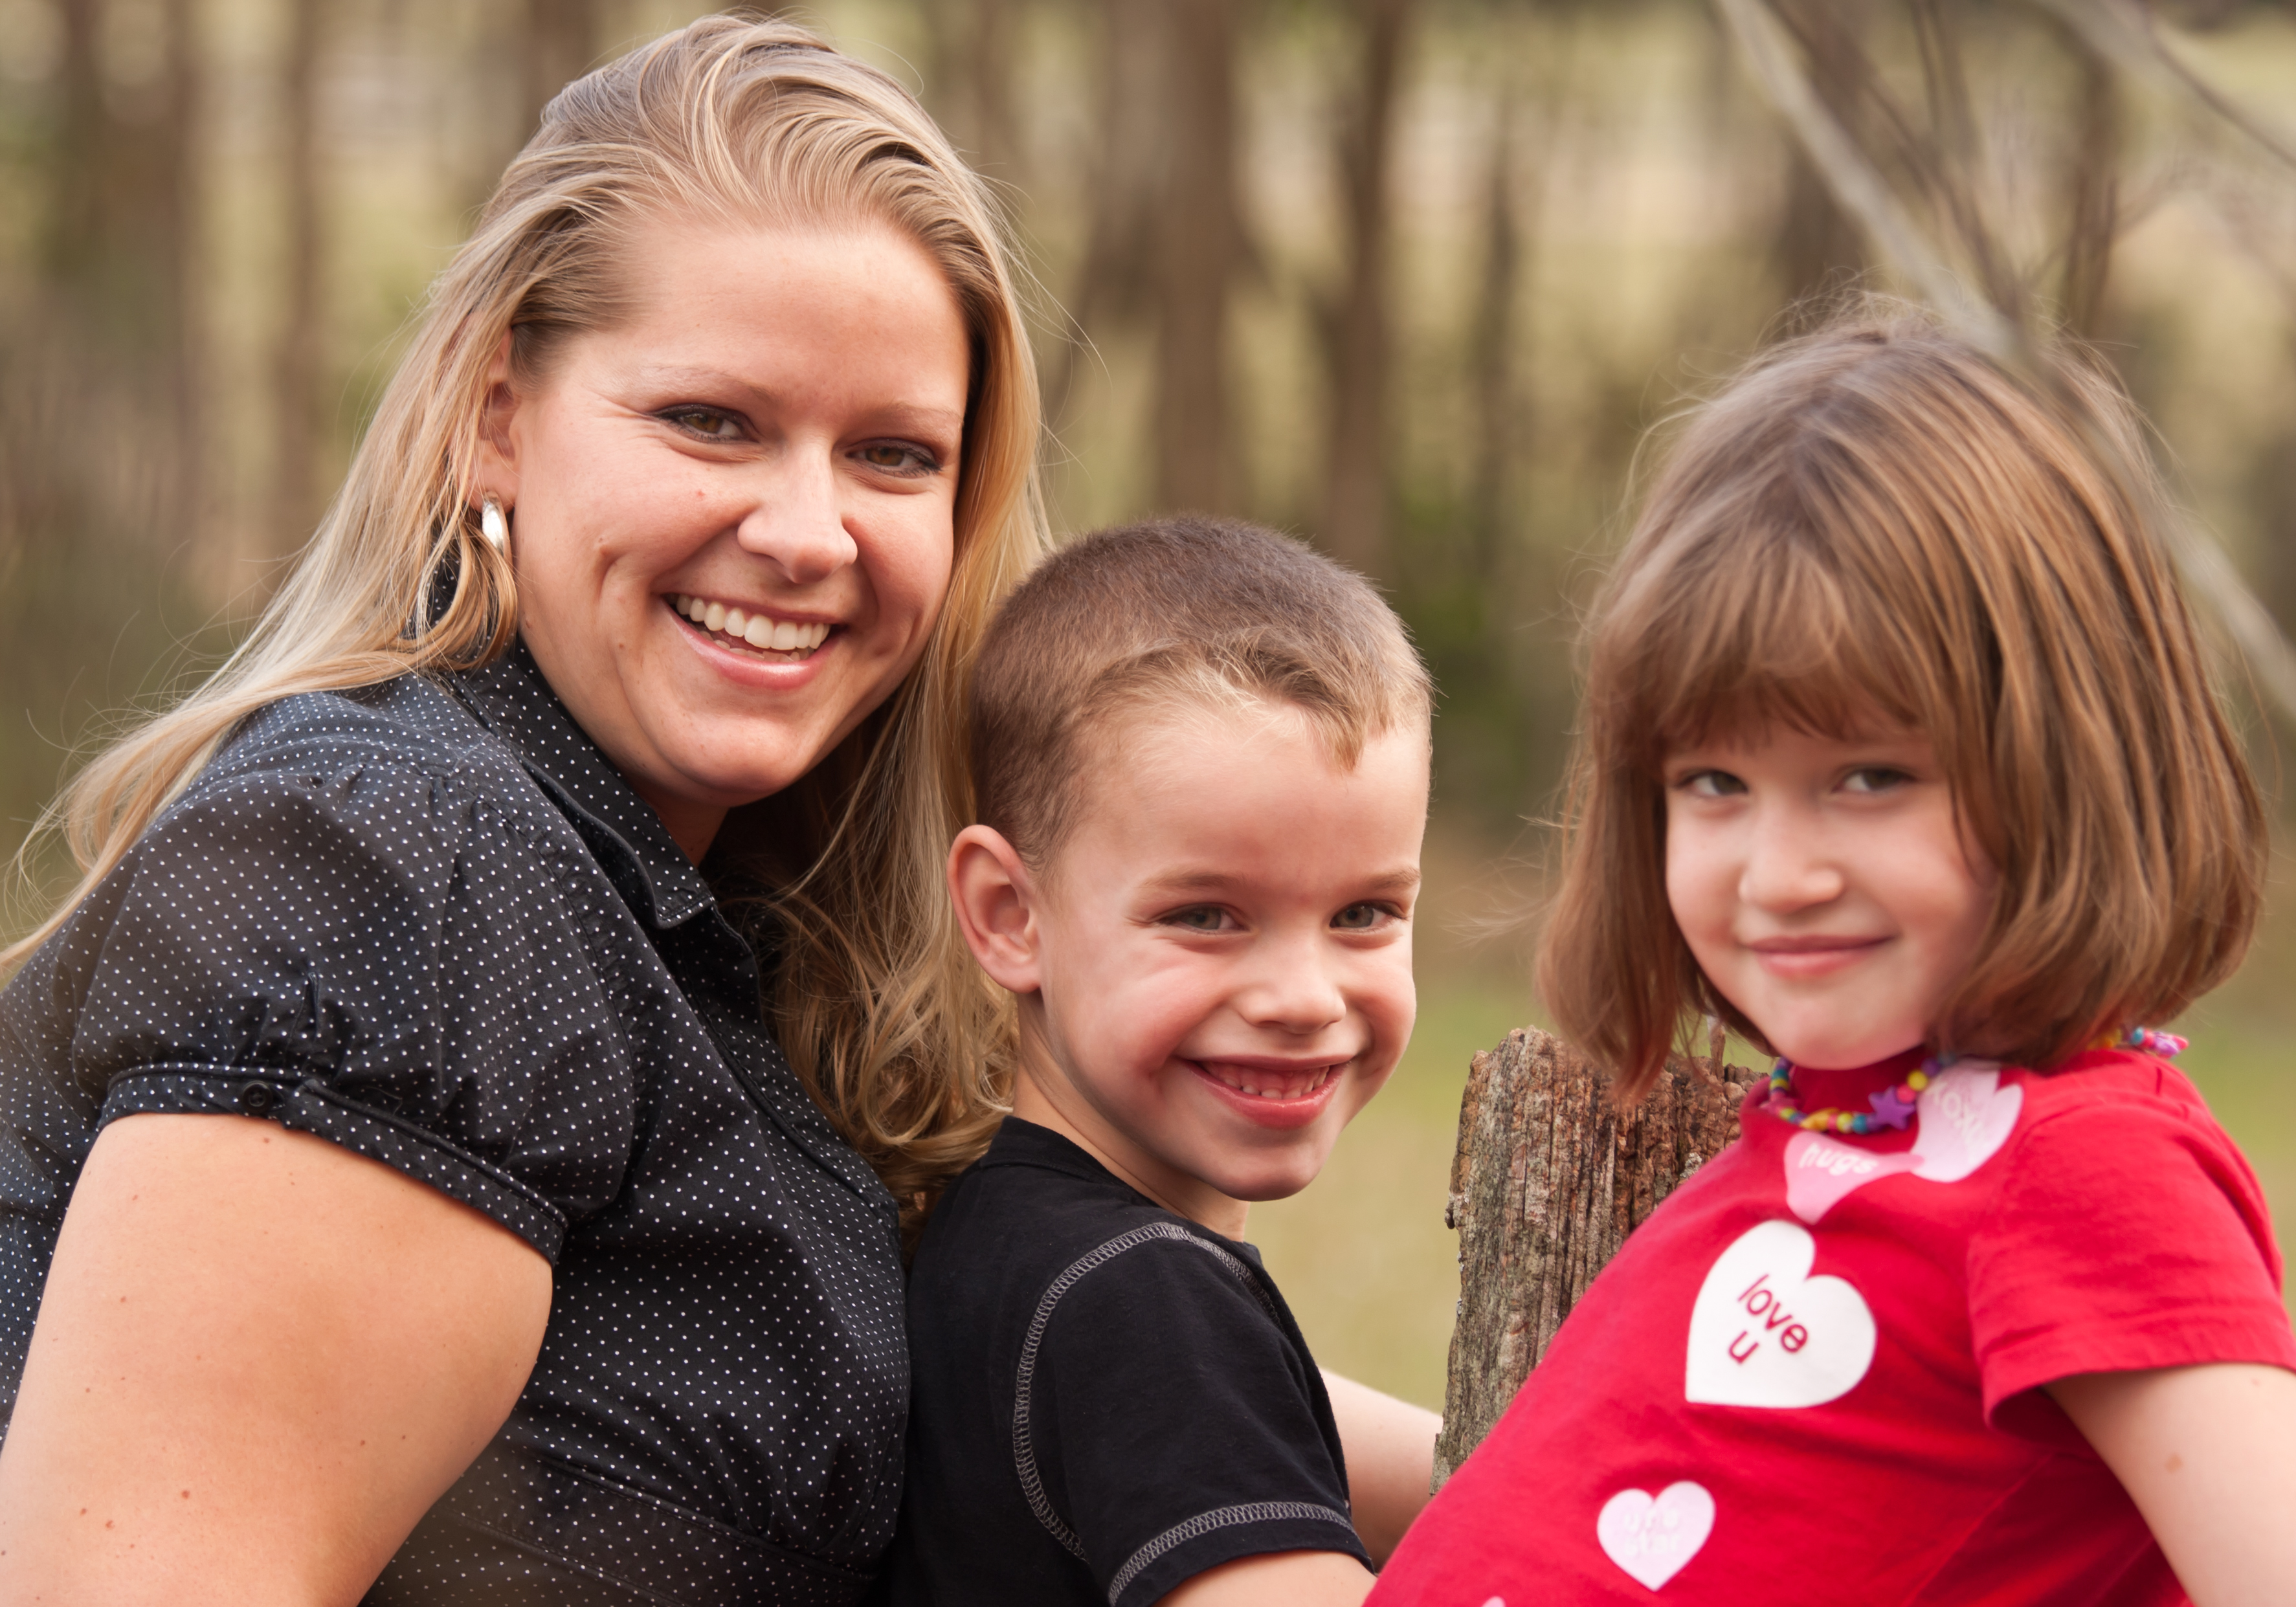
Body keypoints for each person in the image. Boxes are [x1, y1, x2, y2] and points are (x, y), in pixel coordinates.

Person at [0, 17, 1045, 1603]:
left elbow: (1045, 1362)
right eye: (712, 421)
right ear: (501, 414)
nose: (809, 529)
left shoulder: (697, 914)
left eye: (895, 456)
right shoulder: (415, 866)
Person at [1370, 312, 2296, 1606]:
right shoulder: (1844, 1134)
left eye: (1868, 778)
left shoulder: (2087, 1172)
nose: (1778, 875)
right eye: (1713, 781)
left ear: (2065, 769)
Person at [883, 517, 1443, 1607]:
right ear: (1010, 915)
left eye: (1365, 912)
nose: (1304, 999)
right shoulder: (1138, 1299)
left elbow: (1452, 1471)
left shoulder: (1010, 1239)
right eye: (1207, 916)